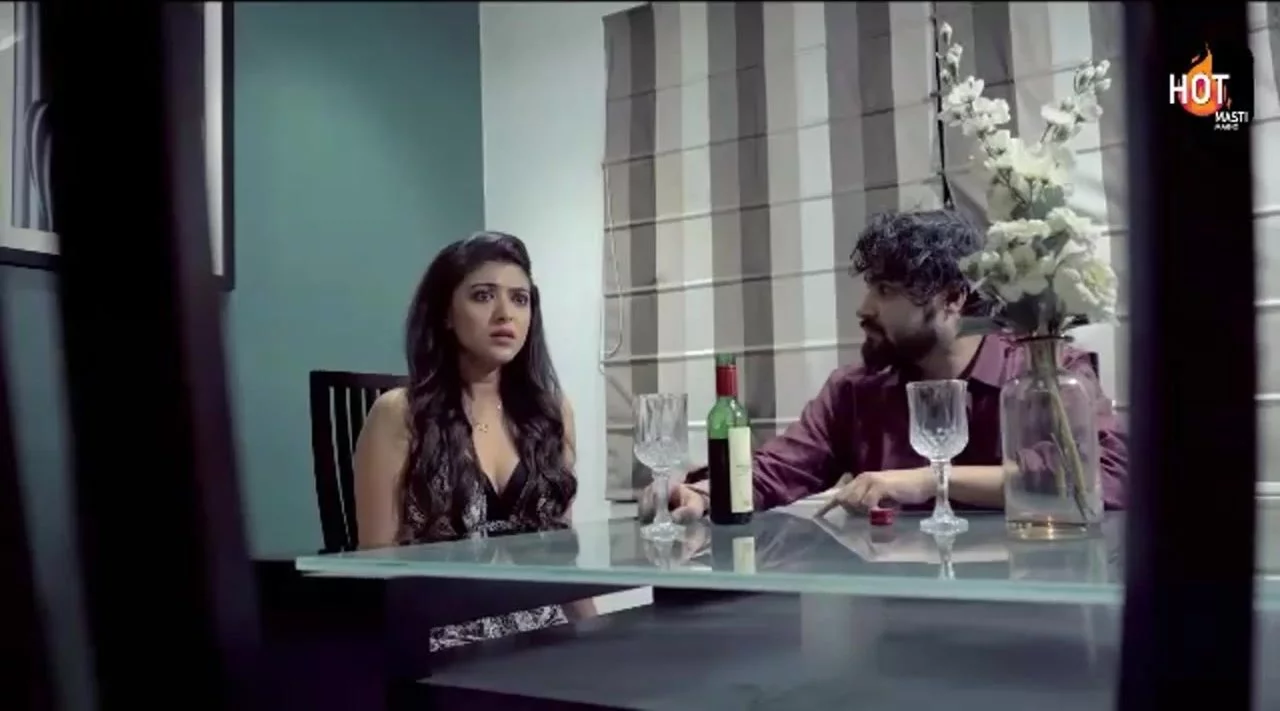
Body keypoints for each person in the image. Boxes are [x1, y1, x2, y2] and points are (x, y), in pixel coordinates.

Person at [640, 209, 1128, 522]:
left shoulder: (1045, 372)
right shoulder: (856, 390)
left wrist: (929, 480)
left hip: (1035, 605)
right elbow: (779, 470)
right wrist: (703, 494)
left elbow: (1109, 476)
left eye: (886, 291)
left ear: (953, 299)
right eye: (870, 287)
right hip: (898, 616)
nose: (864, 308)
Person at [353, 231, 590, 652]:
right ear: (446, 314)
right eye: (483, 296)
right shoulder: (399, 414)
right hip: (442, 642)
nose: (505, 314)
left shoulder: (551, 413)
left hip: (544, 640)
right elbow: (377, 569)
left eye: (520, 299)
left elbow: (562, 560)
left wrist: (596, 638)